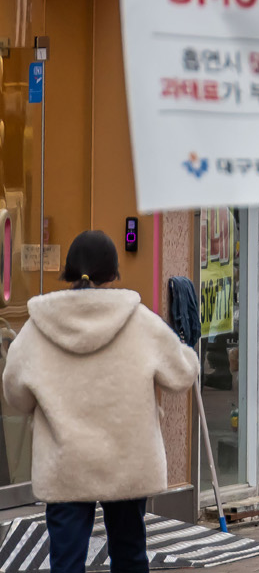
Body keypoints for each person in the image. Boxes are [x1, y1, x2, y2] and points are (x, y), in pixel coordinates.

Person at [1, 231, 198, 573]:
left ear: (68, 271)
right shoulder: (140, 321)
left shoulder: (38, 327)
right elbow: (181, 375)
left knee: (66, 562)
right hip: (128, 460)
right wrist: (188, 351)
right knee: (129, 554)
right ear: (112, 273)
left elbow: (15, 395)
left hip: (65, 464)